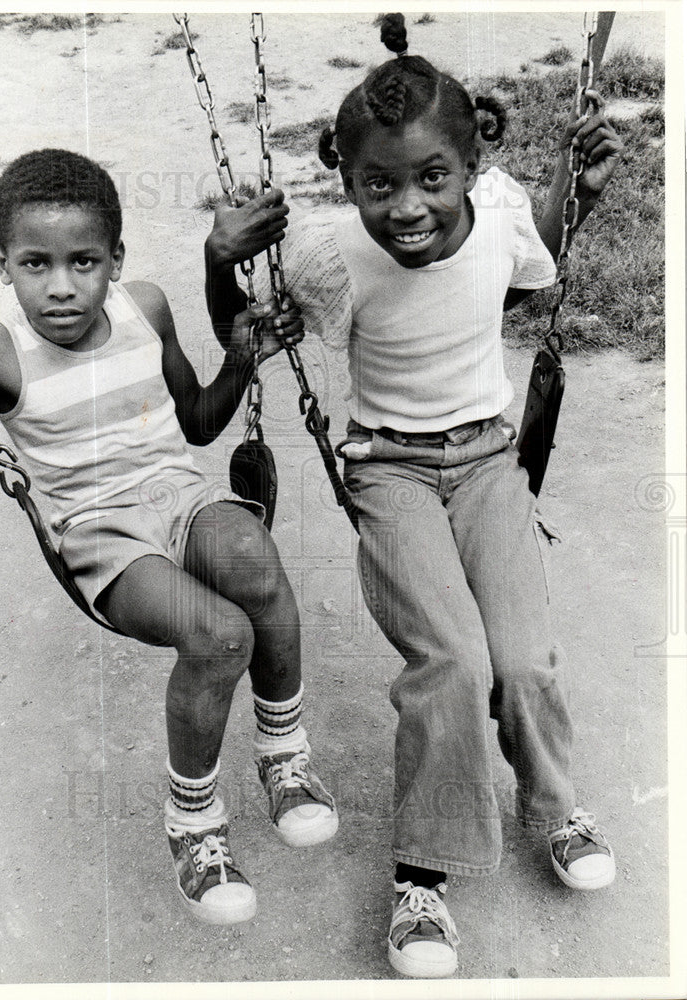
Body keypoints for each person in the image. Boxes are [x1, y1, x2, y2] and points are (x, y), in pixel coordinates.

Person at [205, 13, 624, 977]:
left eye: (432, 178)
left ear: (474, 163)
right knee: (453, 660)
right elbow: (245, 336)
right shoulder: (328, 255)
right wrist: (223, 261)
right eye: (376, 185)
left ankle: (555, 807)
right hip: (389, 470)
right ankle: (422, 880)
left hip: (486, 461)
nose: (405, 208)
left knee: (522, 659)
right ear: (342, 177)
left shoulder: (507, 206)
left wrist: (578, 195)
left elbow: (522, 272)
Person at [0, 148, 339, 928]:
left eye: (84, 262)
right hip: (100, 535)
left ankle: (284, 755)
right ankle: (195, 826)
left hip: (178, 493)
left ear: (117, 260)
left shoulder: (145, 307)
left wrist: (243, 359)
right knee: (219, 634)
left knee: (253, 559)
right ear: (2, 262)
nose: (61, 285)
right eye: (36, 263)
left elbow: (199, 423)